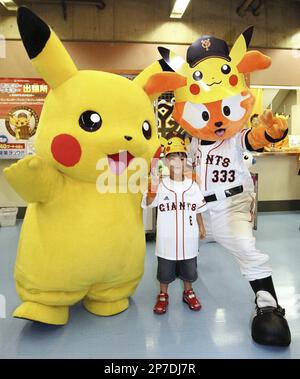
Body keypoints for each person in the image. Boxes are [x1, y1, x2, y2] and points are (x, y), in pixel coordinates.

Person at [142, 134, 207, 314]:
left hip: (188, 237)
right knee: (165, 271)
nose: (176, 161)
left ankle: (188, 292)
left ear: (186, 160)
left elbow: (198, 208)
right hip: (167, 239)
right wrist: (152, 187)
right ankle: (163, 295)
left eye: (180, 157)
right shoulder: (161, 184)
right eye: (172, 157)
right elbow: (148, 203)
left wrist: (202, 226)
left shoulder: (192, 185)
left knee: (189, 268)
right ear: (166, 161)